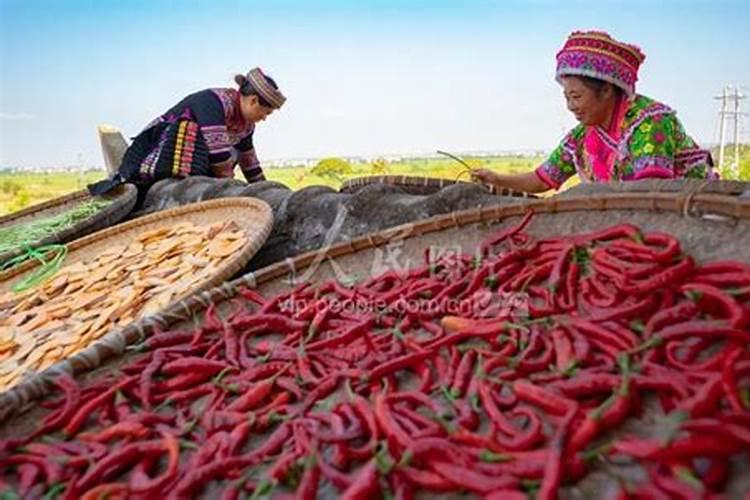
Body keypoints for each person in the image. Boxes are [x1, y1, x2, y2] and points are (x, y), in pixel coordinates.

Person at [471, 31, 716, 193]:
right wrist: (496, 178)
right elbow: (542, 178)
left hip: (687, 211)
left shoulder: (649, 122)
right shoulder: (580, 137)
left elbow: (648, 191)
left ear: (607, 90)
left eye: (576, 96)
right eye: (566, 97)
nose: (570, 106)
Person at [88, 67, 285, 199]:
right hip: (164, 152)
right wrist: (230, 190)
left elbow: (249, 162)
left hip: (201, 166)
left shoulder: (246, 125)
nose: (265, 118)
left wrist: (264, 191)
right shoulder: (214, 102)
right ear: (252, 101)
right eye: (265, 112)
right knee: (206, 139)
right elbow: (218, 156)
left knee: (234, 150)